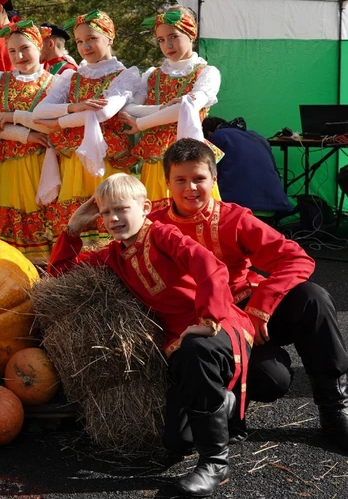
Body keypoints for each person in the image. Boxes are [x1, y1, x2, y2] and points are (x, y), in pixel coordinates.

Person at [50, 173, 254, 498]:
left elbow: (210, 266)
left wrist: (208, 317)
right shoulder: (113, 255)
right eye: (105, 213)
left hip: (219, 327)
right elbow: (61, 275)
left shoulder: (164, 235)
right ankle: (224, 403)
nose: (113, 218)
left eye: (121, 209)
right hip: (179, 347)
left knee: (195, 349)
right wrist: (73, 228)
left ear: (145, 207)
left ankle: (214, 463)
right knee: (177, 442)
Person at [149, 139, 348, 452]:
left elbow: (295, 258)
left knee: (313, 297)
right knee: (272, 381)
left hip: (248, 305)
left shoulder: (233, 218)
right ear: (167, 183)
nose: (191, 188)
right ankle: (228, 402)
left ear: (214, 180)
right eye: (181, 180)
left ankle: (335, 410)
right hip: (208, 324)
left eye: (199, 179)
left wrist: (260, 307)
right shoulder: (152, 222)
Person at [33, 10, 140, 243]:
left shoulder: (125, 75)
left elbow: (103, 113)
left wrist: (58, 122)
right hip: (73, 159)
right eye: (80, 41)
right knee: (77, 215)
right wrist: (75, 106)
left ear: (109, 37)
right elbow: (39, 111)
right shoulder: (72, 77)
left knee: (111, 209)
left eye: (92, 38)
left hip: (106, 156)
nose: (85, 46)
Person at [117, 7, 222, 209]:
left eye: (173, 36)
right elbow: (129, 107)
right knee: (158, 217)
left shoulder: (207, 73)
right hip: (156, 157)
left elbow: (188, 108)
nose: (168, 45)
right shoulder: (152, 75)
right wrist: (164, 107)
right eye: (161, 40)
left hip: (190, 156)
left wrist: (141, 123)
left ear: (192, 33)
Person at [0, 20, 61, 261]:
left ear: (39, 46)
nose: (19, 55)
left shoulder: (55, 83)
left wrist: (12, 118)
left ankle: (45, 268)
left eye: (25, 48)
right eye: (12, 51)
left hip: (41, 164)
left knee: (42, 212)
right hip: (6, 165)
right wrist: (27, 134)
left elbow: (52, 124)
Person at [203, 117, 293, 214]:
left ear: (208, 133)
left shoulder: (216, 137)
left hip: (239, 209)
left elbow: (208, 175)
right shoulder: (257, 136)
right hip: (274, 204)